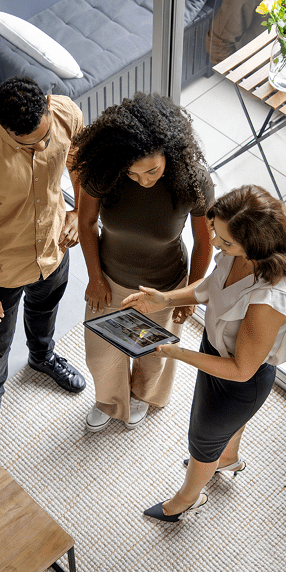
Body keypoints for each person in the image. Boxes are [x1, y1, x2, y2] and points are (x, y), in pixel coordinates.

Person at [122, 185, 286, 521]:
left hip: (239, 381)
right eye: (217, 236)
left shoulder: (269, 299)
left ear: (255, 243)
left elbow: (240, 370)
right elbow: (209, 288)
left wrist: (176, 353)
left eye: (225, 242)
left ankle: (187, 499)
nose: (216, 245)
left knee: (202, 440)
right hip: (215, 353)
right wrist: (166, 299)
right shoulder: (237, 255)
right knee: (220, 434)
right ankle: (227, 459)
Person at [0, 76, 87, 449]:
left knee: (46, 313)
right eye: (30, 144)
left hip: (54, 250)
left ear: (46, 101)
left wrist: (77, 213)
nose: (43, 145)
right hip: (2, 270)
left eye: (45, 137)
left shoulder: (65, 112)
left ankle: (42, 358)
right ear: (2, 127)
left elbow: (79, 160)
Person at [70, 93, 214, 431]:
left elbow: (205, 242)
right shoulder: (104, 173)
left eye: (151, 170)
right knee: (101, 352)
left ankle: (143, 396)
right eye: (133, 175)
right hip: (110, 276)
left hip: (164, 286)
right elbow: (87, 222)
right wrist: (95, 277)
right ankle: (109, 400)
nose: (144, 180)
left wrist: (190, 294)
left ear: (169, 151)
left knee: (151, 353)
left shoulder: (193, 182)